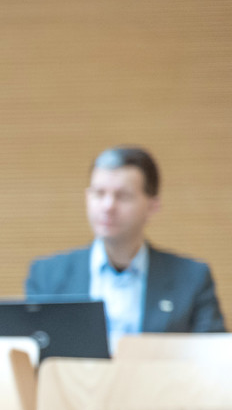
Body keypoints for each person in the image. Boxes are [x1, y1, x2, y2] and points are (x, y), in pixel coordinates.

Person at [26, 146, 225, 342]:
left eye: (123, 196)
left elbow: (215, 355)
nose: (108, 206)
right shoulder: (47, 275)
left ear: (152, 205)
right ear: (87, 197)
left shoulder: (192, 278)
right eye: (99, 193)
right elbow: (32, 350)